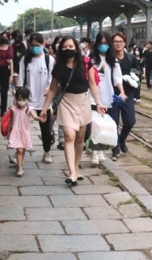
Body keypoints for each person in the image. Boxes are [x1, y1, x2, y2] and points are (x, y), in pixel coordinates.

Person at [39, 36, 106, 186]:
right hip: (66, 103)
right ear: (60, 49)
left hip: (83, 102)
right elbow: (52, 89)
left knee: (80, 138)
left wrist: (99, 103)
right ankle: (72, 172)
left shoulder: (85, 62)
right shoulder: (59, 66)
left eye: (70, 46)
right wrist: (44, 109)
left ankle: (76, 168)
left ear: (76, 47)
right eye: (64, 47)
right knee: (69, 136)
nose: (67, 49)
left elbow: (92, 84)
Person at [87, 32, 125, 166]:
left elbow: (117, 78)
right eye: (100, 43)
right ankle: (94, 152)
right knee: (95, 125)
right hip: (92, 97)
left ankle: (101, 150)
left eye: (105, 43)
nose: (103, 46)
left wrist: (122, 91)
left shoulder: (113, 60)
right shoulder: (90, 59)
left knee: (104, 126)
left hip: (107, 97)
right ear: (96, 44)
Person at [17, 32, 56, 164]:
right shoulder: (25, 59)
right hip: (28, 100)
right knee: (21, 128)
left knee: (45, 129)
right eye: (32, 45)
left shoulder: (49, 60)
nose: (35, 48)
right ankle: (19, 154)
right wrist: (19, 98)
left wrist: (49, 87)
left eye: (37, 45)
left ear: (43, 43)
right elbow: (20, 80)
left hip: (44, 102)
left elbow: (53, 77)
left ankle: (47, 152)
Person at [109, 32, 140, 161]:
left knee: (130, 121)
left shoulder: (131, 58)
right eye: (115, 41)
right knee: (113, 122)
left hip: (127, 93)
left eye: (120, 41)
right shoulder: (108, 58)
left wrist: (132, 78)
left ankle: (121, 140)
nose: (118, 44)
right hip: (112, 94)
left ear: (124, 43)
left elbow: (138, 73)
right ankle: (115, 148)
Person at [6, 87, 42, 177]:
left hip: (25, 132)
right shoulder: (13, 108)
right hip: (16, 132)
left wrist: (40, 118)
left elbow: (34, 116)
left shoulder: (29, 108)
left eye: (23, 99)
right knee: (20, 150)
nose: (21, 102)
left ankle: (20, 163)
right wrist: (9, 131)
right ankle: (20, 169)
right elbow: (10, 121)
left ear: (27, 98)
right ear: (16, 98)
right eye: (19, 99)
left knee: (23, 149)